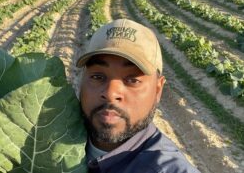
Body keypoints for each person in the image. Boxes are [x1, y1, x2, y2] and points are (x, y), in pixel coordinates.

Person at [76, 19, 201, 173]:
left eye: (132, 80)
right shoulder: (44, 136)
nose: (110, 93)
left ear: (158, 90)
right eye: (97, 77)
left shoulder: (168, 169)